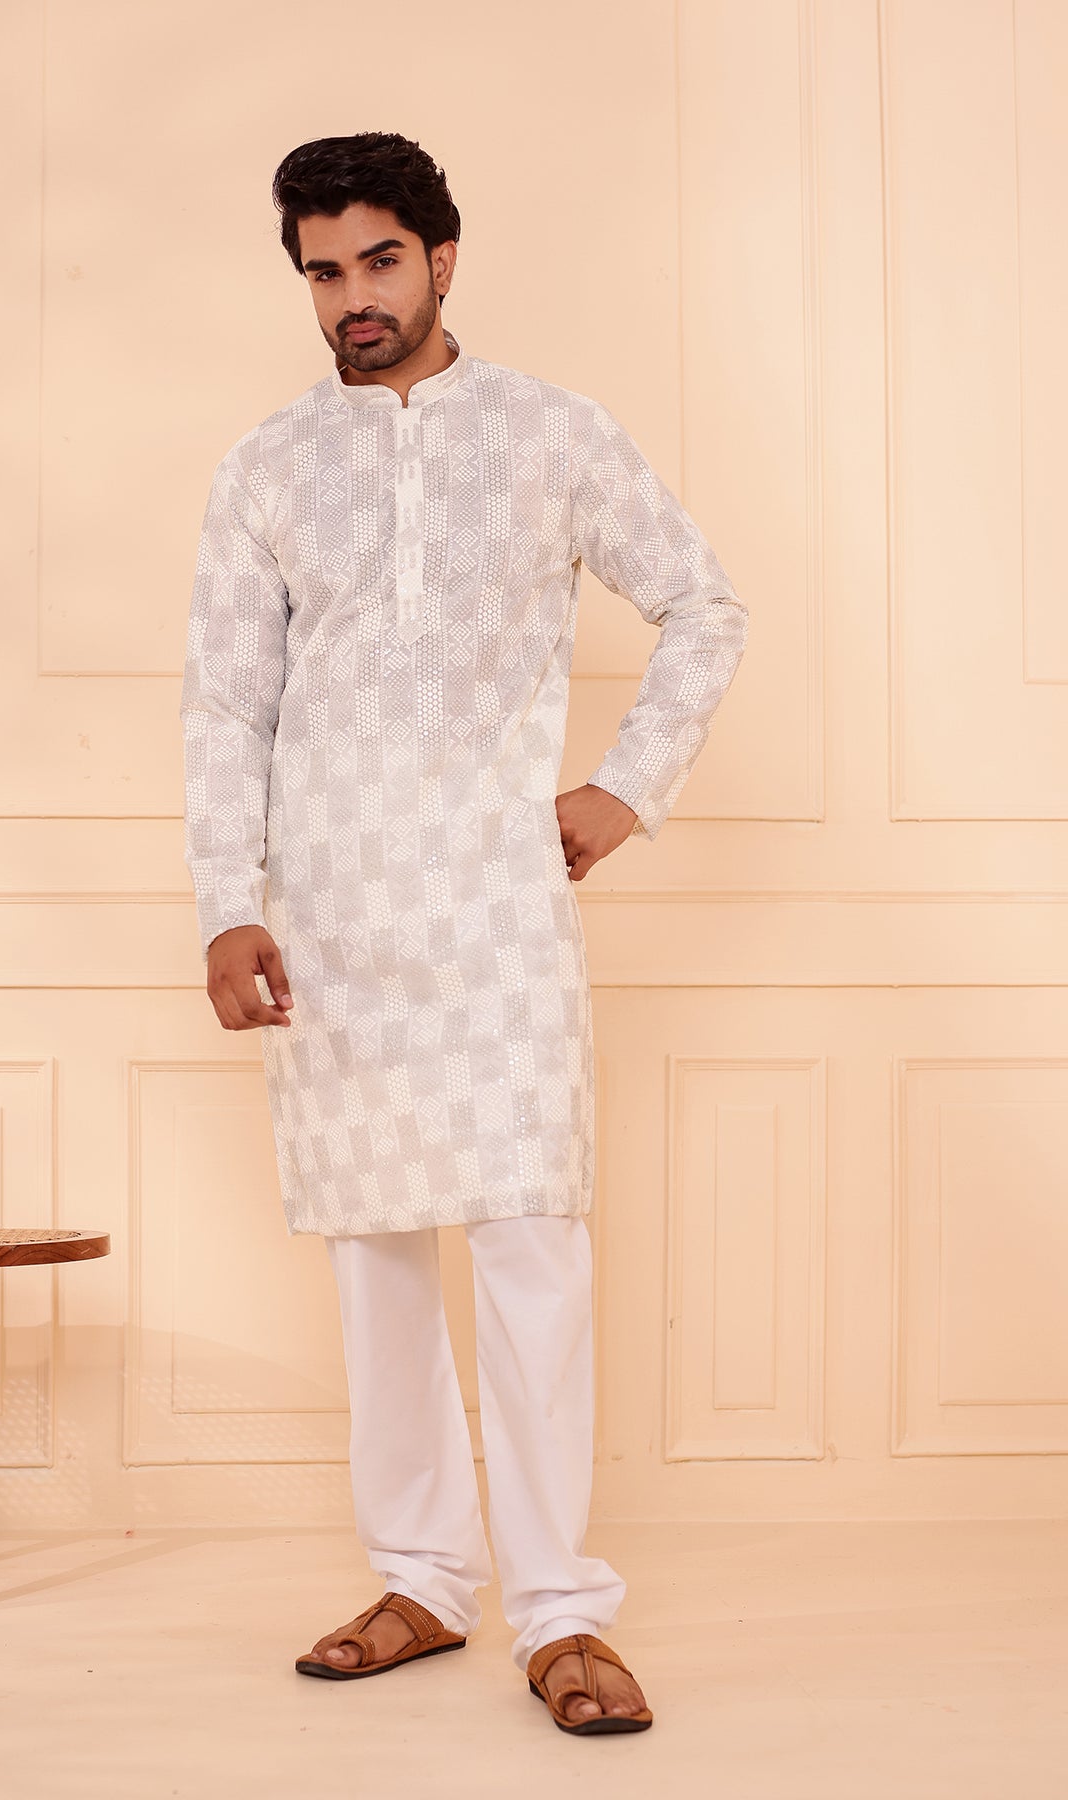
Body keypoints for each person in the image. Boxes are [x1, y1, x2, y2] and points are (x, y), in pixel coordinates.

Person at [179, 130, 749, 1737]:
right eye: (322, 272)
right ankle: (425, 1580)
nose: (350, 297)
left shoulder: (551, 434)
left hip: (498, 912)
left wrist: (629, 786)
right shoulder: (268, 468)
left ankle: (563, 1615)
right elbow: (225, 704)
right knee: (377, 1262)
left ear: (440, 257)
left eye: (377, 261)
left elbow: (704, 603)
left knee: (529, 1251)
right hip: (333, 920)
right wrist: (229, 905)